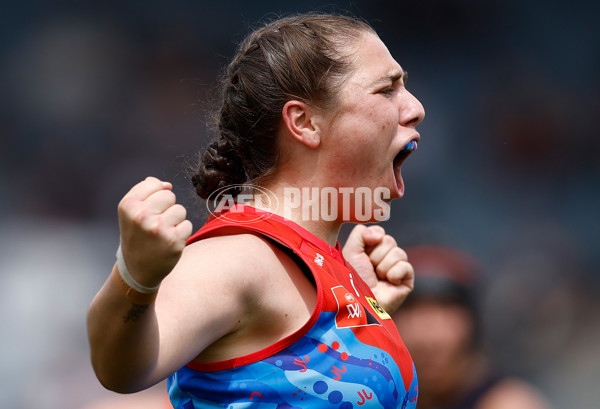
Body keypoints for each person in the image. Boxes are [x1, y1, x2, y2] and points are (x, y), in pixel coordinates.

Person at [87, 12, 425, 409]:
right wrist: (135, 275)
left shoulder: (321, 265)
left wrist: (353, 309)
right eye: (387, 89)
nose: (415, 107)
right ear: (305, 122)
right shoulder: (239, 256)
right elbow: (121, 370)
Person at [392, 245, 552, 409]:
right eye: (412, 312)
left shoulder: (508, 403)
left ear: (473, 325)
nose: (429, 338)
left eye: (446, 309)